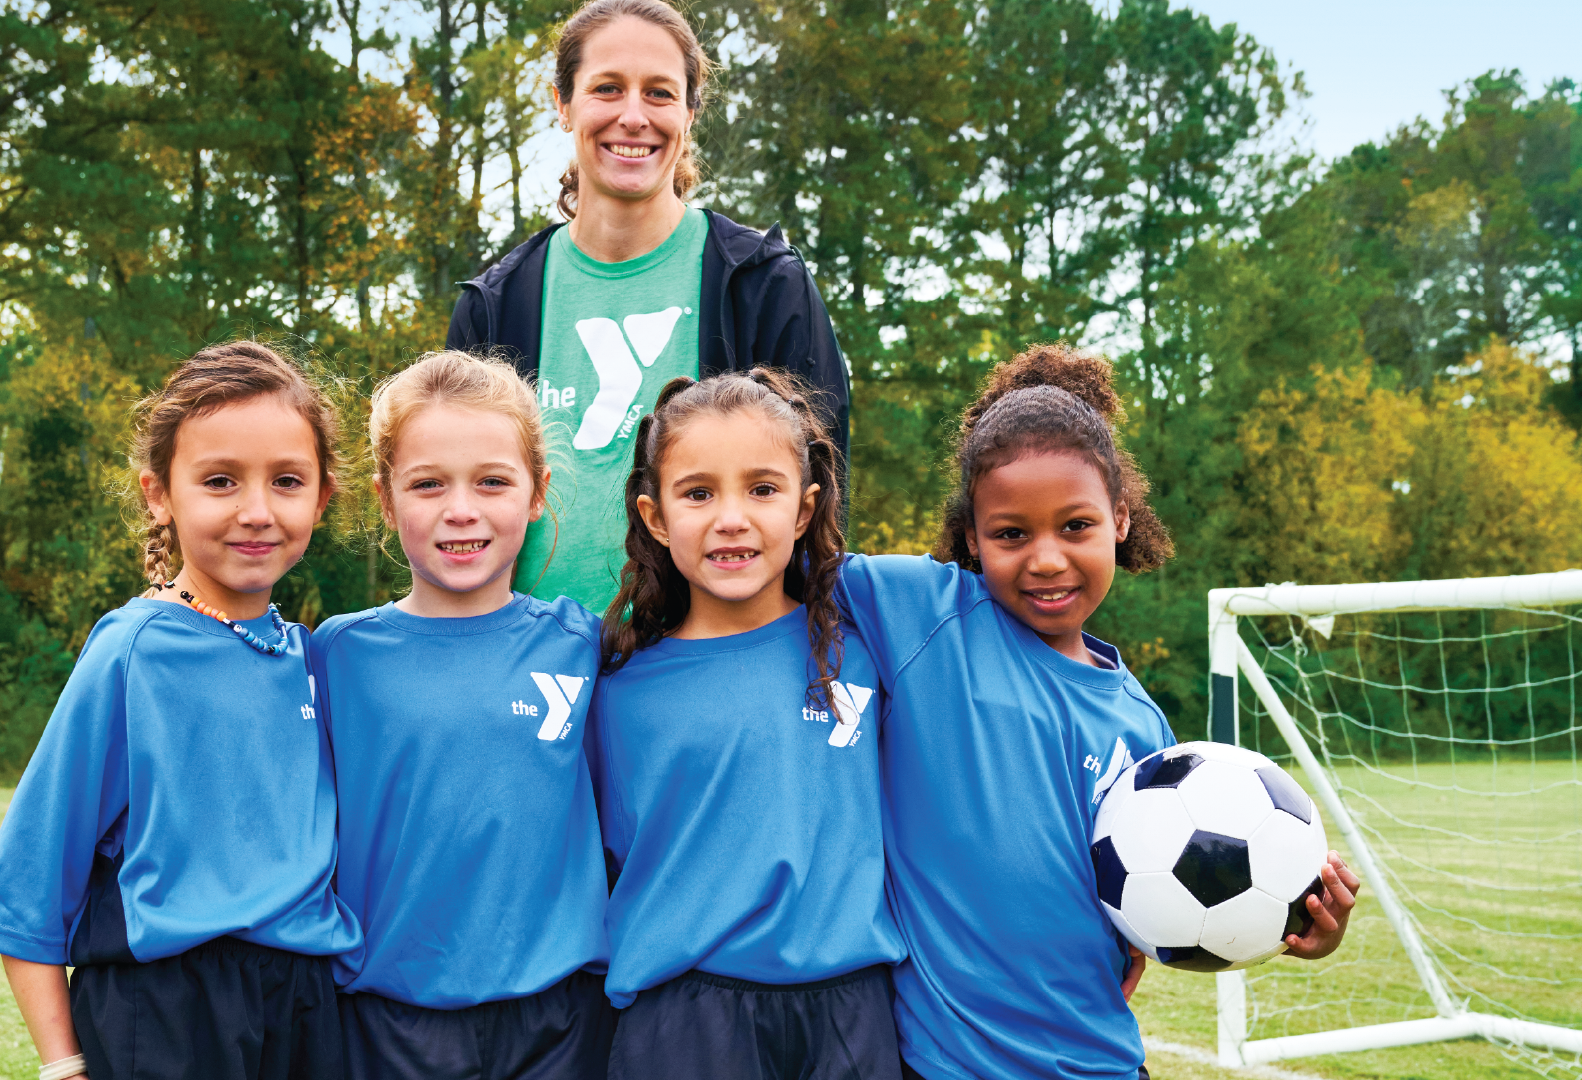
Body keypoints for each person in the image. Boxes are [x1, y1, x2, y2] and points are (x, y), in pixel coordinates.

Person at [837, 345, 1361, 1080]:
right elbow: (770, 554)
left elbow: (1151, 927)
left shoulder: (1150, 738)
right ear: (970, 540)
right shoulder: (923, 615)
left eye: (1075, 526)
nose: (1046, 559)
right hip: (948, 1065)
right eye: (1011, 534)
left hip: (1103, 1063)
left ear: (1119, 517)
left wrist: (1293, 920)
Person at [0, 341, 360, 1080]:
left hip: (304, 1004)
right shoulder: (132, 652)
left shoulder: (312, 656)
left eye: (288, 481)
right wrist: (62, 1062)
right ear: (158, 494)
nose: (257, 511)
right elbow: (31, 882)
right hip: (169, 1011)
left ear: (322, 498)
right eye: (219, 481)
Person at [446, 0, 848, 614]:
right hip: (528, 670)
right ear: (564, 104)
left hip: (703, 662)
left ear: (689, 112)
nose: (633, 116)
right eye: (607, 88)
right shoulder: (495, 307)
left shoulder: (762, 283)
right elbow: (455, 505)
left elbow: (822, 500)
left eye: (659, 93)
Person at [591, 371, 904, 1080]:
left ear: (804, 509)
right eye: (699, 493)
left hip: (850, 1016)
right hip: (685, 1023)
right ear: (656, 516)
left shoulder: (864, 652)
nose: (731, 517)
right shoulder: (617, 688)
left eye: (762, 489)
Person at [310, 351, 612, 1080]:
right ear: (385, 499)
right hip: (384, 1026)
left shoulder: (587, 647)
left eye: (492, 481)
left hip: (560, 1026)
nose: (461, 510)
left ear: (537, 493)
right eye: (428, 484)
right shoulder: (336, 656)